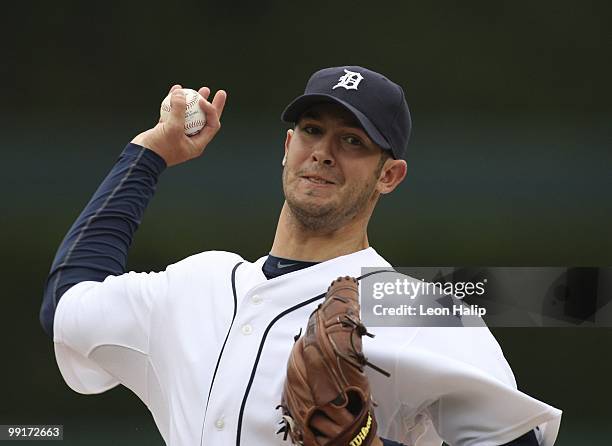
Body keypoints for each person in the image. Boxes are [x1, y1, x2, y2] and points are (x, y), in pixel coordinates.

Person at [40, 66, 561, 446]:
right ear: (287, 145)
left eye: (353, 140)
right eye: (312, 130)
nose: (324, 151)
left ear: (389, 175)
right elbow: (68, 303)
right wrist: (150, 153)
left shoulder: (415, 307)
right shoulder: (194, 287)